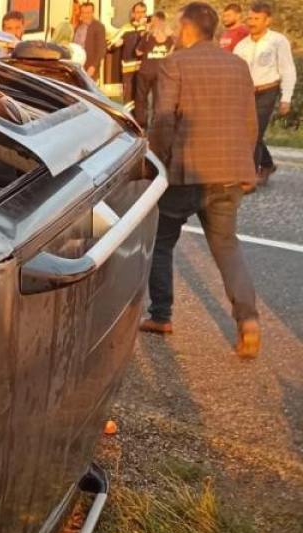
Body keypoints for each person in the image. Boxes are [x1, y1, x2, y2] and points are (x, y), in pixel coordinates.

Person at [145, 2, 260, 358]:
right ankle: (248, 320)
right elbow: (250, 121)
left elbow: (163, 119)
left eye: (178, 27)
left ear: (187, 29)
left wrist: (155, 163)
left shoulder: (175, 63)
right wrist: (246, 168)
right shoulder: (238, 65)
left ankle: (161, 315)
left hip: (185, 172)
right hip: (228, 172)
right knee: (227, 247)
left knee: (161, 242)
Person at [233, 2, 296, 187]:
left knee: (255, 131)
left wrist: (286, 98)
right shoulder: (241, 46)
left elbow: (288, 70)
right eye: (250, 18)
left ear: (268, 20)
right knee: (246, 131)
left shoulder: (278, 41)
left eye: (257, 19)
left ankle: (250, 175)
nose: (252, 22)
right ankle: (267, 163)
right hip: (246, 93)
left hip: (268, 90)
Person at [133, 11, 174, 127]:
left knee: (141, 99)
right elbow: (172, 54)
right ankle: (156, 125)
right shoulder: (170, 38)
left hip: (145, 71)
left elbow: (138, 52)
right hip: (160, 72)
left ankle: (141, 124)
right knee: (158, 100)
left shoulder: (148, 36)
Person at [110, 2, 149, 106]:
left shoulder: (148, 28)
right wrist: (116, 44)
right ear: (133, 14)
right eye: (138, 12)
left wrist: (147, 28)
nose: (140, 14)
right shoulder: (126, 28)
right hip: (128, 67)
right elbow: (110, 44)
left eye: (143, 12)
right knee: (128, 96)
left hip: (143, 67)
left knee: (142, 96)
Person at [74, 2, 108, 80]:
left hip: (89, 68)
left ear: (92, 13)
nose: (85, 15)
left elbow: (101, 50)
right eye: (83, 13)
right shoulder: (77, 26)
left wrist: (93, 66)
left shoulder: (99, 27)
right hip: (76, 66)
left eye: (88, 13)